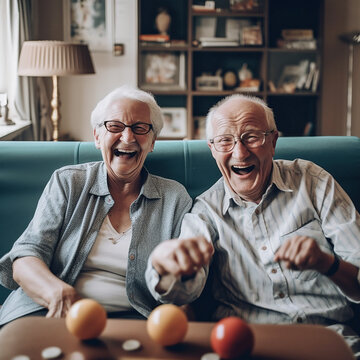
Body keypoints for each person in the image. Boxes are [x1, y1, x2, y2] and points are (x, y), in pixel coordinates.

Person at [146, 94, 360, 356]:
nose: (240, 152)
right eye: (225, 141)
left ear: (273, 141)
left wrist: (327, 264)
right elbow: (181, 293)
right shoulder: (205, 212)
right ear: (212, 149)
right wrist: (163, 265)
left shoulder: (313, 181)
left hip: (327, 339)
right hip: (245, 346)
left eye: (252, 137)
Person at [0, 85, 192, 326]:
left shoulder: (174, 197)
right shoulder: (69, 182)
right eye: (114, 126)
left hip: (136, 321)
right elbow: (26, 256)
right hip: (48, 310)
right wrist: (58, 294)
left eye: (140, 128)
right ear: (97, 136)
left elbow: (181, 283)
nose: (128, 137)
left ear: (152, 141)